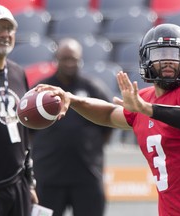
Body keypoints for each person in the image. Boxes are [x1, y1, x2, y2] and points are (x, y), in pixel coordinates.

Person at [35, 24, 180, 216]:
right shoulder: (144, 99)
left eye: (175, 53)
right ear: (146, 58)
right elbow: (109, 114)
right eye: (160, 54)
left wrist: (147, 109)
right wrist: (72, 100)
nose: (168, 60)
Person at [31, 38, 113, 216]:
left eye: (74, 59)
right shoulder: (41, 91)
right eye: (65, 58)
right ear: (56, 59)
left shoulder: (94, 89)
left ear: (80, 60)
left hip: (87, 176)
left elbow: (108, 124)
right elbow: (28, 129)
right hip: (48, 177)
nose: (69, 63)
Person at [0, 4, 38, 216]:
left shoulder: (18, 72)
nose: (4, 34)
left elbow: (24, 130)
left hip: (17, 182)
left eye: (8, 29)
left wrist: (29, 182)